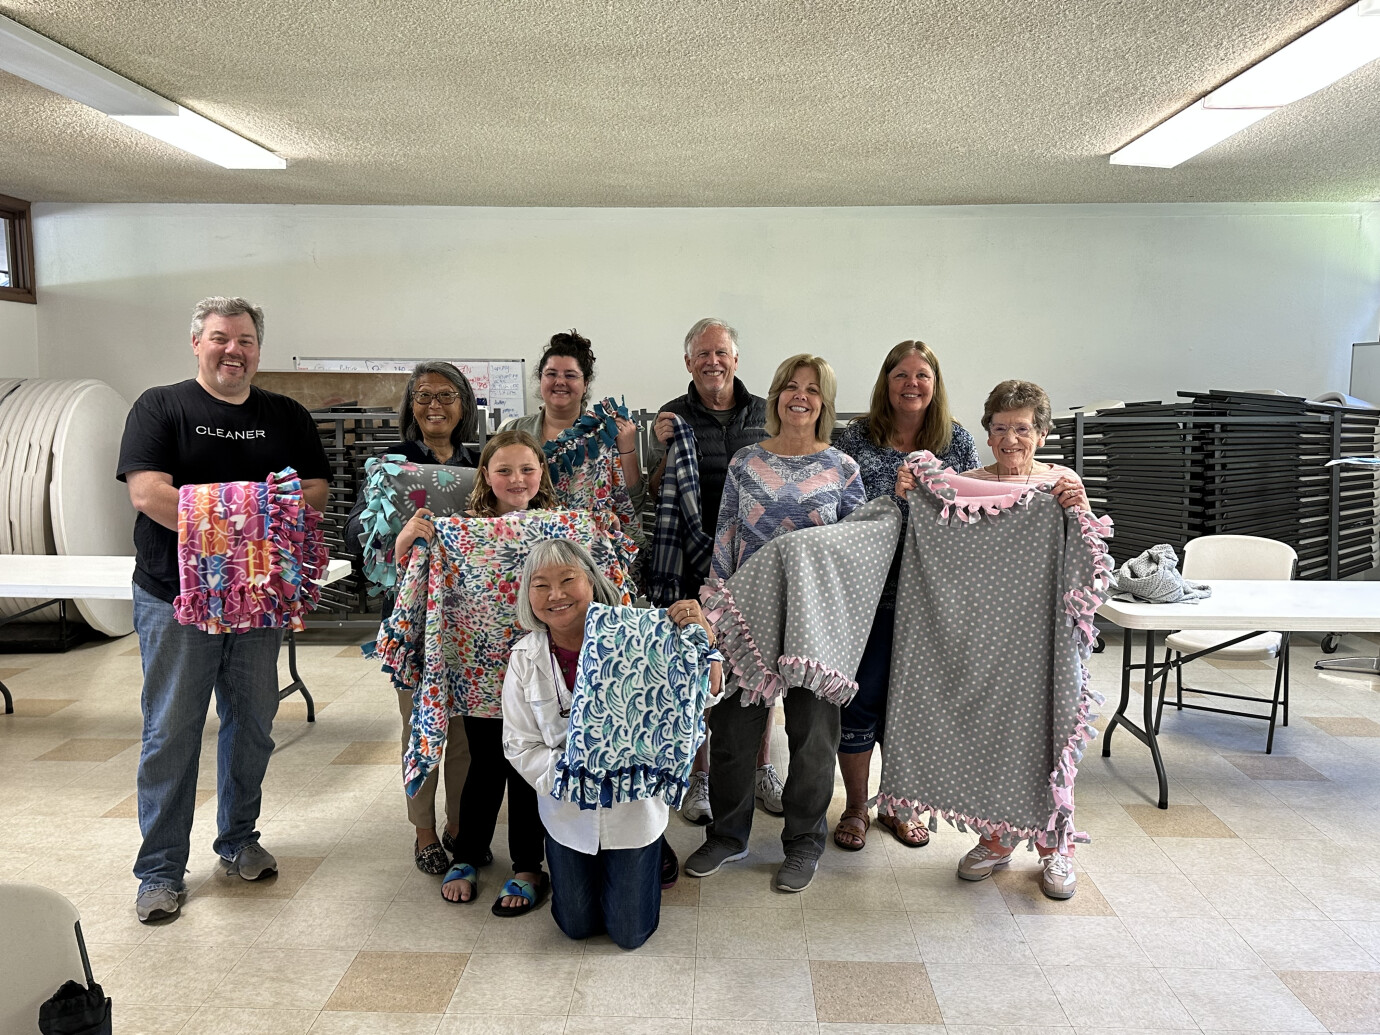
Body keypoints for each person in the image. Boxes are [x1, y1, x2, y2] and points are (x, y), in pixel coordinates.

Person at [117, 296, 331, 923]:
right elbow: (148, 491)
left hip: (258, 602)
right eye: (219, 338)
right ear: (196, 343)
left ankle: (239, 840)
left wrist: (239, 529)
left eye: (244, 340)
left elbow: (314, 489)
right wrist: (245, 523)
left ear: (257, 349)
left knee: (253, 723)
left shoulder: (284, 415)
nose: (232, 350)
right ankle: (158, 870)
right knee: (171, 730)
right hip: (175, 599)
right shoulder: (161, 406)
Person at [685, 353, 864, 893]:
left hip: (815, 620)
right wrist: (716, 608)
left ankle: (804, 840)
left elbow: (855, 549)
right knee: (735, 731)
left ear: (824, 402)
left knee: (813, 735)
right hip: (750, 612)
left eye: (812, 388)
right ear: (777, 396)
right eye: (790, 386)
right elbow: (726, 538)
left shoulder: (842, 469)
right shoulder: (745, 463)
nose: (800, 396)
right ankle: (727, 834)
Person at [502, 539, 721, 949]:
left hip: (634, 810)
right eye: (540, 585)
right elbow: (519, 744)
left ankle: (655, 854)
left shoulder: (642, 635)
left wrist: (702, 640)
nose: (556, 595)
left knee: (629, 933)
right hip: (567, 809)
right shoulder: (524, 658)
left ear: (593, 582)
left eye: (569, 579)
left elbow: (702, 697)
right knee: (576, 926)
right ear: (526, 597)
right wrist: (578, 777)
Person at [397, 429, 558, 915]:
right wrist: (409, 541)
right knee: (487, 764)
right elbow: (414, 575)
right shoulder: (458, 532)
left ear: (541, 474)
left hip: (539, 669)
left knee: (531, 764)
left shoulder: (559, 527)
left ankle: (529, 865)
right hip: (482, 671)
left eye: (527, 469)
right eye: (504, 470)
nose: (516, 478)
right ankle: (467, 854)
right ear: (485, 476)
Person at [831, 340, 978, 853]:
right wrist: (891, 497)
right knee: (858, 702)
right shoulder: (855, 439)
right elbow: (841, 514)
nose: (911, 384)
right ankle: (854, 805)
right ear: (885, 381)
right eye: (901, 374)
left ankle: (898, 805)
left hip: (932, 599)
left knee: (914, 706)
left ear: (935, 385)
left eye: (922, 375)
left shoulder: (956, 440)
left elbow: (974, 512)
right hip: (869, 598)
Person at [945, 379, 1090, 900]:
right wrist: (911, 491)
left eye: (1023, 429)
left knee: (1053, 737)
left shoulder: (1061, 483)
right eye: (1001, 428)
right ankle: (998, 837)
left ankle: (1057, 848)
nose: (1011, 439)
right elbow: (942, 549)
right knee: (992, 740)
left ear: (1043, 434)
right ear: (987, 434)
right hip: (987, 640)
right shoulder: (964, 485)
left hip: (1049, 639)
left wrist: (1080, 510)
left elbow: (1089, 557)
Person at [345, 362, 480, 877]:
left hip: (469, 619)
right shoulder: (390, 467)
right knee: (420, 727)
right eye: (423, 396)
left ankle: (460, 825)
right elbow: (356, 537)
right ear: (410, 405)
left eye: (446, 395)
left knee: (467, 731)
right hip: (413, 620)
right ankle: (423, 830)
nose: (435, 405)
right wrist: (397, 540)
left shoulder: (483, 463)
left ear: (464, 404)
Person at [647, 318, 778, 823]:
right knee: (697, 664)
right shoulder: (671, 417)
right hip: (694, 560)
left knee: (759, 666)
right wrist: (661, 450)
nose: (712, 362)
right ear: (688, 362)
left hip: (754, 561)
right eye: (702, 354)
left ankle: (762, 768)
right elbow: (658, 492)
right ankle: (699, 774)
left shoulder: (765, 413)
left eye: (720, 352)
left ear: (736, 359)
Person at [501, 329, 643, 521]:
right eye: (551, 374)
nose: (560, 382)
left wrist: (627, 449)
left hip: (588, 542)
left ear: (585, 384)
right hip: (524, 537)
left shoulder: (608, 433)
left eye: (570, 375)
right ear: (540, 379)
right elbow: (491, 492)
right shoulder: (513, 431)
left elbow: (635, 502)